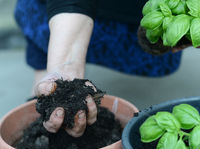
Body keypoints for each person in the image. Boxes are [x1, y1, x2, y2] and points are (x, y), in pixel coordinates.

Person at [14, 0, 182, 136]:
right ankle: (38, 111)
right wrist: (64, 69)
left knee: (156, 56)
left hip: (136, 11)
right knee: (50, 35)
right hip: (63, 8)